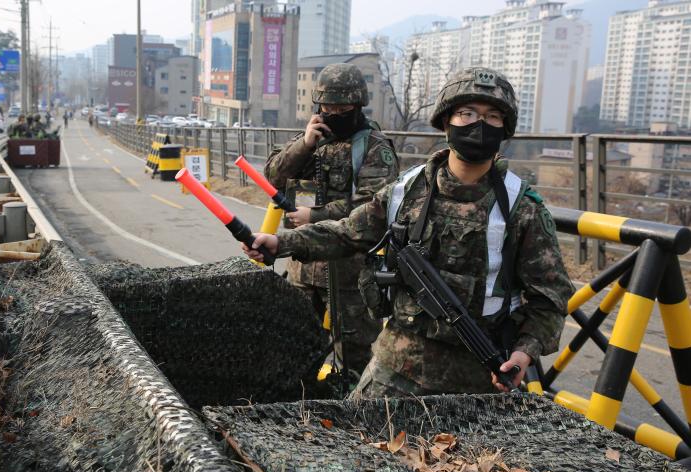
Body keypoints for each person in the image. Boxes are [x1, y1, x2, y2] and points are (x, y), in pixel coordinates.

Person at [245, 67, 574, 397]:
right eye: (467, 113)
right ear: (446, 121)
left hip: (480, 375)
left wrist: (523, 353)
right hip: (396, 363)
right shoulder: (407, 191)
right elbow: (349, 232)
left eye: (492, 116)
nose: (479, 124)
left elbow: (551, 296)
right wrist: (280, 242)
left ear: (505, 128)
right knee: (357, 437)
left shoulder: (522, 206)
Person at [264, 63, 400, 379]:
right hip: (304, 265)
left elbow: (374, 204)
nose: (334, 113)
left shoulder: (375, 147)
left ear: (357, 105)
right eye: (328, 107)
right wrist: (304, 144)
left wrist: (317, 215)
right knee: (293, 348)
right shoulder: (314, 138)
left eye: (342, 108)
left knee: (353, 359)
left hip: (349, 271)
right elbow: (273, 176)